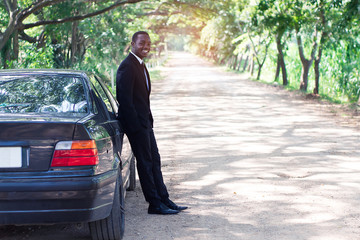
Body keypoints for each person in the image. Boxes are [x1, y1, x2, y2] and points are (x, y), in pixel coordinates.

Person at [116, 31, 187, 215]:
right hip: (136, 126)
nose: (146, 46)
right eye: (142, 43)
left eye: (148, 43)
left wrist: (146, 122)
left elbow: (141, 99)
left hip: (145, 124)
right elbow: (124, 100)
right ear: (132, 43)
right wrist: (137, 127)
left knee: (155, 160)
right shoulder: (127, 66)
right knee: (146, 163)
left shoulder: (140, 64)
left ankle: (164, 198)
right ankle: (154, 204)